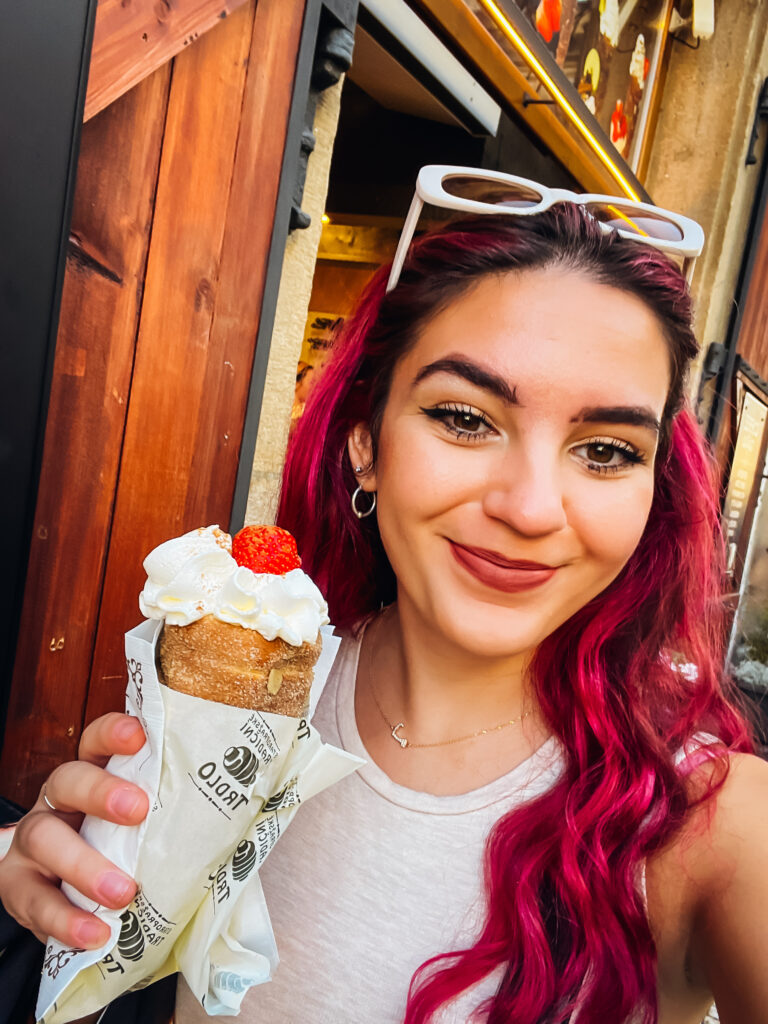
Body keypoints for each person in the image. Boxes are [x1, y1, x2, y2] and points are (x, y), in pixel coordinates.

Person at [2, 168, 768, 1024]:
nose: (529, 507)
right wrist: (39, 872)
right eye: (466, 418)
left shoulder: (709, 822)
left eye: (607, 451)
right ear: (366, 443)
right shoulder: (245, 705)